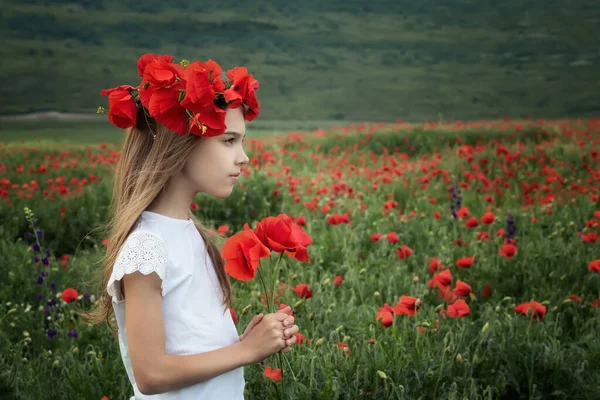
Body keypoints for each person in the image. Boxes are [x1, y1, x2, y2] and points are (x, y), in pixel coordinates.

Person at [81, 53, 299, 399]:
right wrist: (246, 351)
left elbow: (189, 348)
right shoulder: (147, 246)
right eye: (229, 141)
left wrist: (248, 341)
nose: (243, 157)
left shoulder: (191, 234)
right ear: (181, 144)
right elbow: (151, 374)